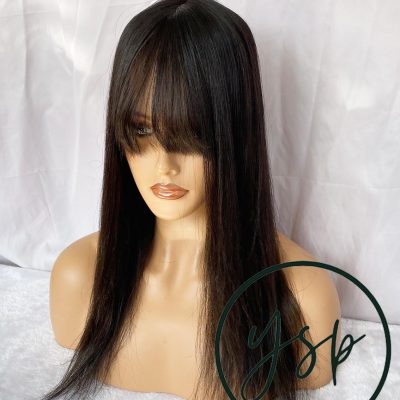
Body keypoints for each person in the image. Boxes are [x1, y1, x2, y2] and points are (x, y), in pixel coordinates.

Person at [42, 1, 341, 399]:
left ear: (235, 129)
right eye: (142, 130)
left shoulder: (301, 297)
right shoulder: (79, 277)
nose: (164, 166)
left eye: (191, 133)